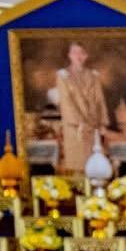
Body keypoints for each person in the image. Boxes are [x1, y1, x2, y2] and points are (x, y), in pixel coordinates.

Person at [53, 41, 110, 173]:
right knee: (76, 164)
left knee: (95, 163)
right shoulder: (63, 76)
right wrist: (80, 122)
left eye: (82, 53)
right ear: (69, 55)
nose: (78, 56)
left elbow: (100, 100)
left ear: (86, 56)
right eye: (75, 53)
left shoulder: (93, 75)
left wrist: (102, 123)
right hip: (75, 128)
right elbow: (66, 102)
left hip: (93, 126)